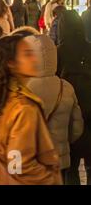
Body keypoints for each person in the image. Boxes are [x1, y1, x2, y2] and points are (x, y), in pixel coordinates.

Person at [0, 35, 62, 185]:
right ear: (11, 63)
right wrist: (50, 178)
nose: (35, 59)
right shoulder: (23, 109)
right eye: (27, 54)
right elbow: (17, 164)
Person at [24, 35, 84, 181]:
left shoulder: (23, 88)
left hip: (34, 159)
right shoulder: (66, 87)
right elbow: (77, 127)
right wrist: (64, 142)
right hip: (60, 158)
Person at [57, 10, 91, 185]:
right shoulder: (89, 48)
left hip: (69, 119)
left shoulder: (59, 52)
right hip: (90, 115)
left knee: (71, 170)